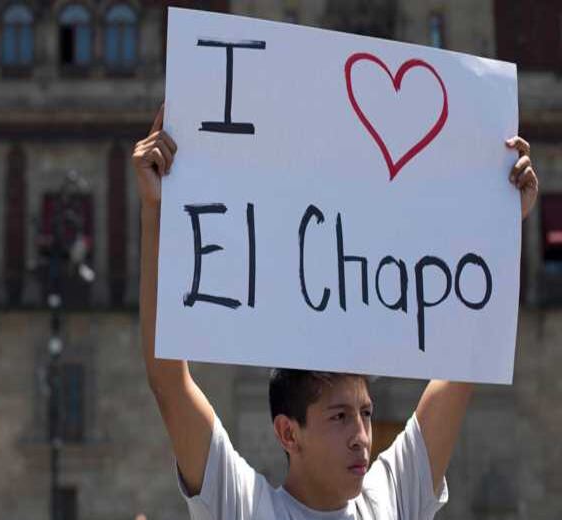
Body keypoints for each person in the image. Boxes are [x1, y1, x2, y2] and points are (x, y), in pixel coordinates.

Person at [132, 104, 539, 519]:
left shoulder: (391, 497)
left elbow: (462, 362)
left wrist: (500, 224)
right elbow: (169, 381)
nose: (362, 436)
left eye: (365, 413)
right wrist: (155, 210)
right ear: (289, 433)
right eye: (340, 416)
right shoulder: (246, 507)